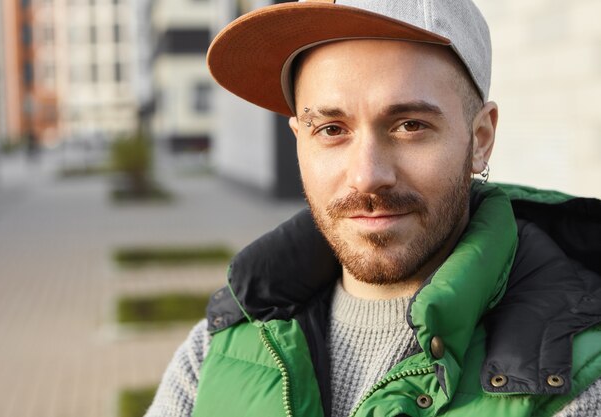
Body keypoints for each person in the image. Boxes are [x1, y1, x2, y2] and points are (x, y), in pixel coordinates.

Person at [145, 1, 601, 416]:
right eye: (330, 129)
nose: (367, 175)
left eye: (409, 125)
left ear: (480, 139)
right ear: (299, 142)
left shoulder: (577, 376)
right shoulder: (214, 350)